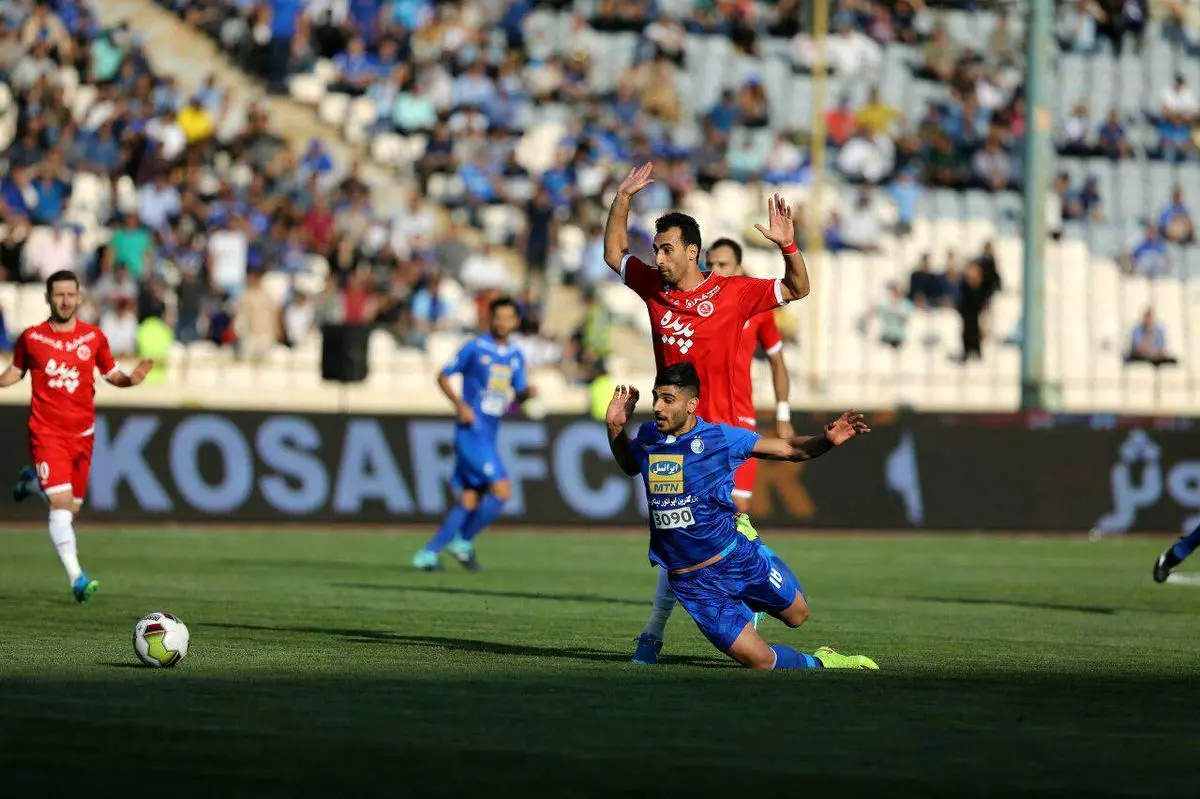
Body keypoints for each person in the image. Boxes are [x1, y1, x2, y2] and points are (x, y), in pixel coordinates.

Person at [604, 162, 811, 666]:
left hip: (724, 440)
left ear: (692, 252)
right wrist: (621, 198)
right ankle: (655, 635)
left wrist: (788, 245)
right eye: (656, 249)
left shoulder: (733, 293)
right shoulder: (655, 290)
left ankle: (725, 609)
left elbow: (798, 288)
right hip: (675, 441)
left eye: (666, 248)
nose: (658, 257)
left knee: (709, 539)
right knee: (681, 542)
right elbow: (613, 254)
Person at [605, 365, 877, 671]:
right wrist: (615, 429)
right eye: (656, 398)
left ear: (691, 404)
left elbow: (787, 449)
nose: (656, 407)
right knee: (760, 662)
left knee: (798, 615)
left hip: (736, 559)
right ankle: (821, 662)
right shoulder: (647, 438)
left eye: (667, 399)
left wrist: (825, 441)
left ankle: (754, 544)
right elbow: (630, 465)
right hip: (693, 584)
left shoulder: (720, 439)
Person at [1, 271, 153, 602]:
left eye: (71, 294)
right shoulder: (32, 338)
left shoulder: (93, 337)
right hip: (47, 432)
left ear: (80, 298)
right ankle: (77, 578)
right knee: (60, 505)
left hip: (82, 434)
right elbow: (16, 371)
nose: (66, 300)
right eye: (59, 295)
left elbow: (111, 373)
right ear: (48, 298)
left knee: (72, 506)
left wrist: (132, 379)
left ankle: (30, 484)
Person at [412, 297, 536, 572]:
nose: (502, 322)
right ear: (490, 319)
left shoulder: (515, 356)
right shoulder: (475, 347)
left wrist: (528, 394)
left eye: (508, 317)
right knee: (502, 490)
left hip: (490, 432)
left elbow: (517, 398)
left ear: (516, 321)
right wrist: (459, 405)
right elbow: (443, 375)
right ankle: (463, 541)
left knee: (469, 498)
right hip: (471, 432)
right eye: (498, 317)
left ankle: (427, 554)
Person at [704, 238, 793, 512]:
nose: (715, 271)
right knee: (701, 506)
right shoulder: (697, 307)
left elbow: (777, 361)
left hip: (740, 416)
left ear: (739, 269)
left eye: (723, 264)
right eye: (709, 265)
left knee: (738, 504)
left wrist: (783, 415)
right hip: (700, 418)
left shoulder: (758, 311)